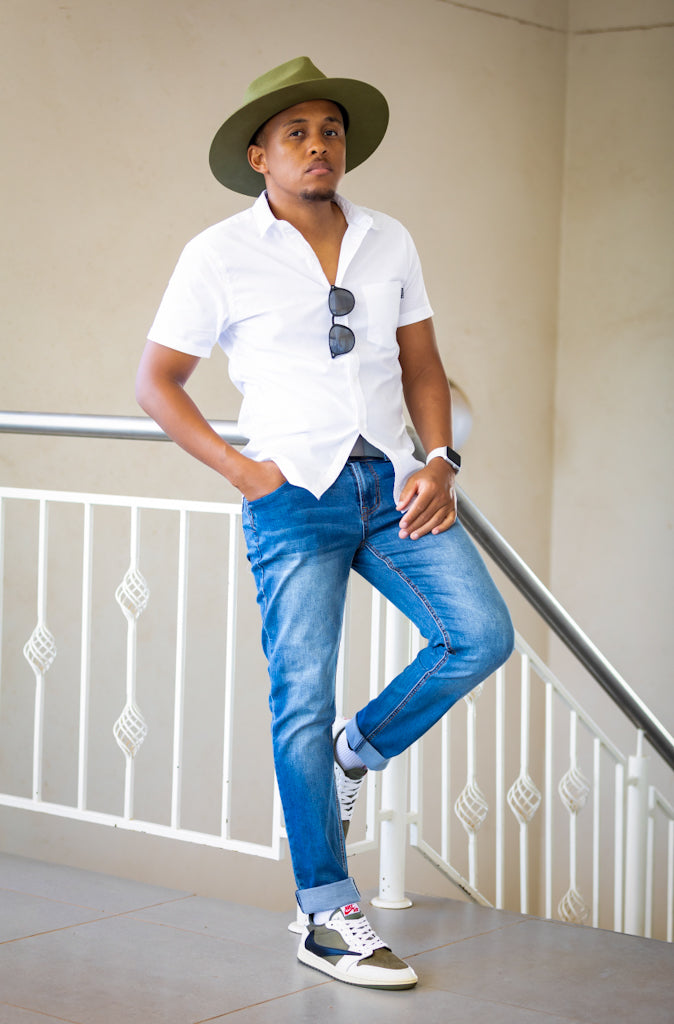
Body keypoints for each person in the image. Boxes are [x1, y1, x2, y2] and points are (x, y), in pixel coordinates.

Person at [136, 56, 514, 991]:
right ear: (259, 155)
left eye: (330, 131)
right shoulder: (218, 253)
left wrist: (440, 459)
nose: (318, 146)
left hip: (393, 484)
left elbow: (422, 362)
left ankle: (361, 749)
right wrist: (243, 472)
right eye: (297, 133)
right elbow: (157, 383)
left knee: (480, 636)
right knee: (299, 696)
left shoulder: (390, 239)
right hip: (293, 500)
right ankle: (324, 909)